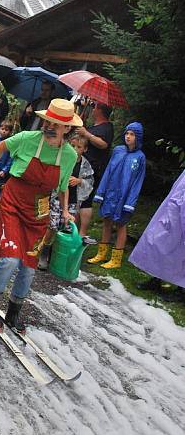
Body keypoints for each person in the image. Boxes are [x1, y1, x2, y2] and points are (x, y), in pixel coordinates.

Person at [0, 98, 81, 332]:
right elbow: (0, 147)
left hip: (39, 210)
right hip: (14, 201)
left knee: (29, 264)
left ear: (67, 128)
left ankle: (14, 312)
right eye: (48, 121)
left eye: (56, 124)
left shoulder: (69, 156)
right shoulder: (27, 139)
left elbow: (63, 185)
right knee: (10, 259)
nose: (49, 126)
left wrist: (65, 210)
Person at [87, 122, 146, 270]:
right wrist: (101, 192)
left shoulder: (140, 158)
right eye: (127, 133)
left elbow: (138, 181)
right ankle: (101, 253)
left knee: (121, 224)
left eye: (132, 134)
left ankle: (116, 258)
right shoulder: (118, 151)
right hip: (111, 193)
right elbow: (108, 171)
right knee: (107, 221)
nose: (128, 137)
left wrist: (130, 202)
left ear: (138, 137)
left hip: (125, 197)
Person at [38, 132, 95, 270]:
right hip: (57, 198)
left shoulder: (85, 165)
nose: (75, 149)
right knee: (53, 225)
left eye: (79, 147)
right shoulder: (63, 158)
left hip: (74, 202)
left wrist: (79, 181)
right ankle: (43, 253)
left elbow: (90, 181)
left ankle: (57, 254)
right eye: (73, 145)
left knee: (67, 227)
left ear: (85, 149)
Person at [129, 169, 185, 302]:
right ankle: (156, 278)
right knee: (160, 240)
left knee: (181, 251)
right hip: (173, 208)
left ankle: (181, 290)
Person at [77, 103, 115, 236]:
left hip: (93, 170)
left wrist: (86, 133)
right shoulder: (95, 126)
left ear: (99, 110)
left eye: (95, 107)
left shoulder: (107, 127)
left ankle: (82, 233)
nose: (93, 109)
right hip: (82, 166)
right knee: (77, 198)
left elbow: (103, 144)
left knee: (86, 199)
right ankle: (73, 229)